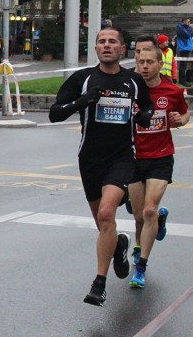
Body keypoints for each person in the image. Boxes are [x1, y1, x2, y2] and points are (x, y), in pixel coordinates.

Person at [49, 27, 152, 306]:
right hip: (90, 159)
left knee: (107, 213)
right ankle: (118, 244)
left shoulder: (133, 81)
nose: (107, 46)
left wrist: (143, 115)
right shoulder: (83, 79)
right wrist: (83, 101)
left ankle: (99, 284)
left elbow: (148, 108)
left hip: (121, 157)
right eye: (102, 42)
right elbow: (54, 114)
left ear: (122, 49)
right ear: (95, 49)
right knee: (102, 223)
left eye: (113, 42)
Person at [128, 37, 189, 288]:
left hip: (161, 157)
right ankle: (151, 229)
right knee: (139, 216)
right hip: (132, 158)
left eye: (149, 62)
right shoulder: (128, 87)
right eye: (140, 61)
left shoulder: (172, 91)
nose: (144, 66)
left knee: (149, 210)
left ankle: (141, 265)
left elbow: (184, 115)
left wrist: (179, 119)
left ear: (159, 63)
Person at [175, 18, 193, 86]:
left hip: (187, 48)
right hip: (184, 48)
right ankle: (182, 81)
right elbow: (187, 35)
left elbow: (190, 35)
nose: (189, 23)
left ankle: (183, 80)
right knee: (183, 65)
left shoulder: (186, 28)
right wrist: (190, 29)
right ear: (184, 22)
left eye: (189, 22)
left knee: (184, 65)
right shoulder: (181, 27)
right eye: (188, 22)